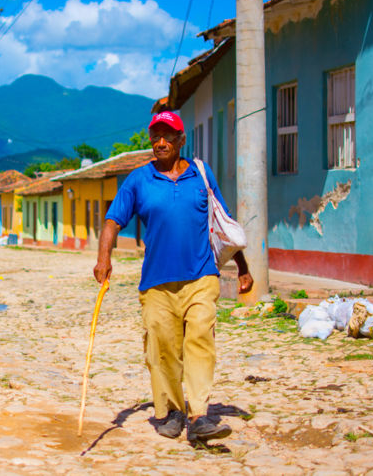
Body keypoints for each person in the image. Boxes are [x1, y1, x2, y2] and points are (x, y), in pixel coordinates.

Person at [93, 110, 253, 444]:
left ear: (182, 140)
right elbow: (112, 221)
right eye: (156, 136)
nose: (161, 143)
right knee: (162, 349)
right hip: (156, 283)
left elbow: (221, 222)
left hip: (201, 275)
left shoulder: (202, 174)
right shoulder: (138, 180)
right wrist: (103, 257)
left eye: (168, 136)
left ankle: (198, 415)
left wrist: (243, 267)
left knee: (199, 341)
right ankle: (171, 411)